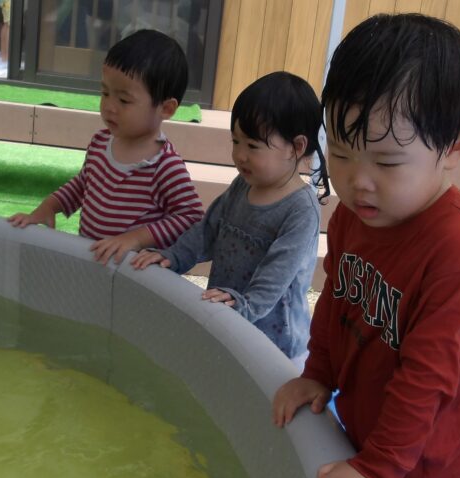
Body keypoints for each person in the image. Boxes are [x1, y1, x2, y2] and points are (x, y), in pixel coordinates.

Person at [272, 13, 460, 478]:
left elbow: (427, 379)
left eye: (387, 161)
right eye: (342, 153)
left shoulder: (457, 249)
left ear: (454, 148)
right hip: (375, 439)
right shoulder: (357, 214)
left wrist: (376, 469)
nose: (358, 181)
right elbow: (336, 302)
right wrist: (318, 374)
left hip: (433, 471)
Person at [131, 71, 328, 369]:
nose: (239, 155)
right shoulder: (242, 186)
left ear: (297, 147)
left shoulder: (301, 209)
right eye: (236, 141)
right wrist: (174, 257)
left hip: (275, 344)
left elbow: (277, 274)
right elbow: (207, 231)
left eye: (253, 146)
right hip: (229, 318)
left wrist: (245, 305)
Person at [8, 29, 203, 265]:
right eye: (105, 93)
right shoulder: (100, 143)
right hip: (93, 261)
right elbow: (82, 184)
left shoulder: (164, 165)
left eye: (124, 100)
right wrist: (49, 206)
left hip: (132, 274)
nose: (109, 106)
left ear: (166, 108)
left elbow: (190, 217)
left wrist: (135, 238)